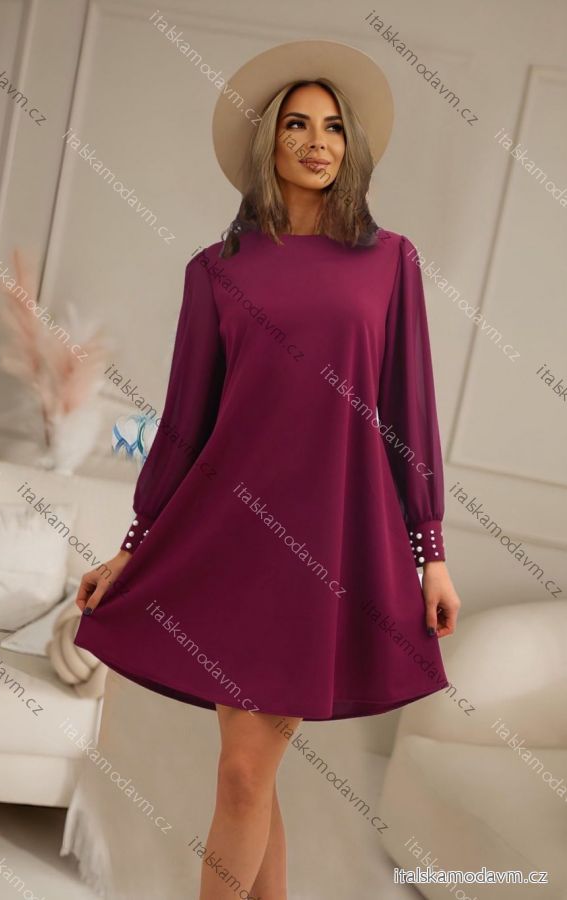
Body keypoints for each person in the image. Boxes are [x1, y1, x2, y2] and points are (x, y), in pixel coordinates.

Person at [74, 40, 461, 900]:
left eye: (333, 127)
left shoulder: (389, 262)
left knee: (245, 773)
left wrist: (429, 550)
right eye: (297, 125)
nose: (318, 142)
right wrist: (134, 545)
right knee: (248, 773)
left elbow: (409, 410)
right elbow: (184, 426)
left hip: (327, 547)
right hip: (230, 543)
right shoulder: (215, 272)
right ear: (267, 141)